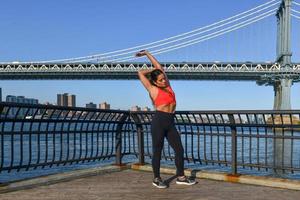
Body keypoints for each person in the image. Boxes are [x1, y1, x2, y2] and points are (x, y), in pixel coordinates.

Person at [136, 50, 196, 189]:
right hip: (159, 122)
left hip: (170, 122)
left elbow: (160, 67)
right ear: (155, 81)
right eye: (161, 80)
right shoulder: (153, 89)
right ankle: (156, 178)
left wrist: (147, 54)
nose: (164, 81)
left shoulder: (168, 86)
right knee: (157, 150)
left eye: (164, 78)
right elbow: (140, 73)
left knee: (179, 150)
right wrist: (153, 70)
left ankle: (181, 177)